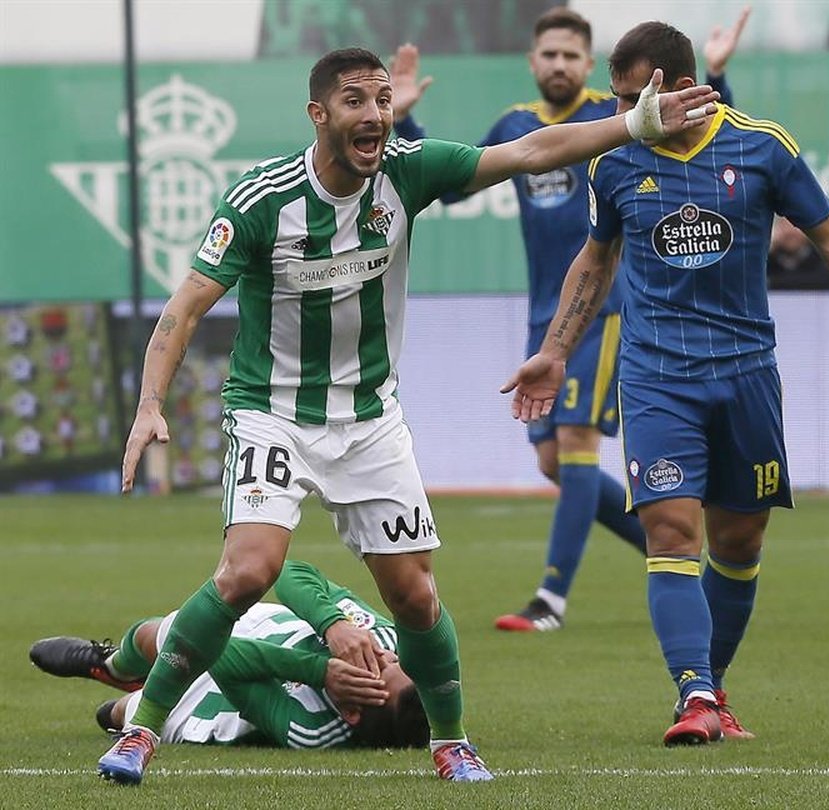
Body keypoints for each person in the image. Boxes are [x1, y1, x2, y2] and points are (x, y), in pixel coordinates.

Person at [99, 45, 721, 785]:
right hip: (272, 414)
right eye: (356, 102)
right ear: (318, 114)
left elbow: (529, 150)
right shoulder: (262, 198)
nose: (375, 117)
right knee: (248, 571)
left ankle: (452, 741)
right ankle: (141, 729)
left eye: (383, 101)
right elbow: (185, 307)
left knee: (415, 596)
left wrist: (635, 123)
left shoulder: (406, 169)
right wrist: (148, 406)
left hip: (370, 419)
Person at [502, 21, 829, 746]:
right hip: (655, 377)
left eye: (633, 96)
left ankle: (711, 690)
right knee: (672, 531)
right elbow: (594, 261)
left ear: (680, 89)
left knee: (738, 544)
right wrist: (556, 351)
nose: (622, 112)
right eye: (617, 99)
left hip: (745, 375)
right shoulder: (614, 159)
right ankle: (696, 696)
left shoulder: (762, 145)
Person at [392, 5, 751, 633]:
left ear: (589, 66)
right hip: (545, 315)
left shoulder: (613, 116)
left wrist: (716, 79)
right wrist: (405, 119)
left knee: (580, 450)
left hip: (608, 309)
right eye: (548, 54)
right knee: (556, 462)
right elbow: (451, 188)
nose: (558, 64)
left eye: (570, 56)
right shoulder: (517, 124)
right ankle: (670, 552)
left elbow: (701, 126)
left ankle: (550, 600)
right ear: (533, 63)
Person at [30, 560, 429, 750]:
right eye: (398, 663)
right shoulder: (382, 639)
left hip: (226, 700)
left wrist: (319, 670)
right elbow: (290, 572)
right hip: (266, 628)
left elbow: (221, 656)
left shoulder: (314, 730)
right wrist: (332, 624)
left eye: (378, 671)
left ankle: (133, 694)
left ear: (351, 712)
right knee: (159, 633)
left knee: (113, 714)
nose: (386, 657)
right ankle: (113, 664)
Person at [766, 215, 829, 290]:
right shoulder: (766, 264)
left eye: (795, 226)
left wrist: (773, 282)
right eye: (784, 226)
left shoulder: (825, 263)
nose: (790, 231)